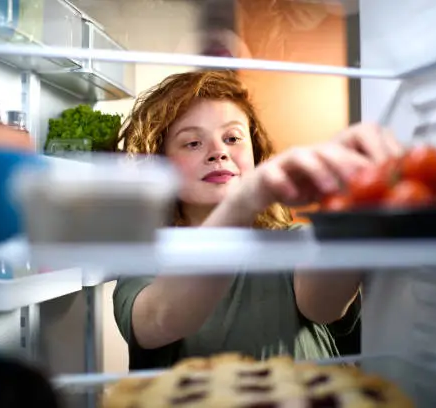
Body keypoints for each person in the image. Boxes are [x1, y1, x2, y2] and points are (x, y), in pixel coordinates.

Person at [113, 70, 403, 370]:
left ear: (255, 153)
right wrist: (246, 198)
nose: (219, 152)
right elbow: (160, 318)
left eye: (232, 138)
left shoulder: (291, 240)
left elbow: (323, 307)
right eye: (192, 143)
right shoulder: (147, 257)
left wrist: (351, 193)